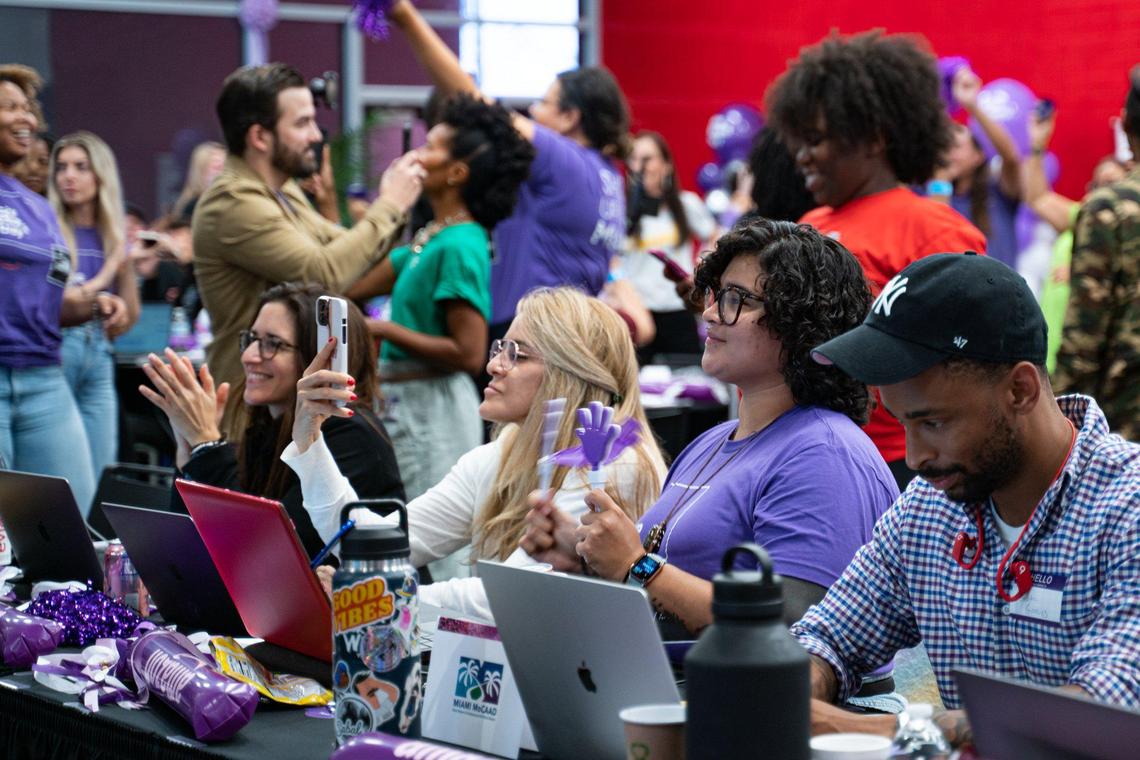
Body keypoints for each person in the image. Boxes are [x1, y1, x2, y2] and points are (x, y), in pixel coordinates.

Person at [797, 251, 1140, 746]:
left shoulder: (1126, 506)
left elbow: (1102, 714)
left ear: (1020, 390)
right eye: (901, 421)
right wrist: (796, 690)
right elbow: (828, 637)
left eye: (933, 422)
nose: (914, 457)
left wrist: (860, 729)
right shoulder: (929, 508)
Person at [522, 219, 898, 635]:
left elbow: (799, 630)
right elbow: (663, 593)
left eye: (738, 299)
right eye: (717, 295)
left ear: (801, 324)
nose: (711, 312)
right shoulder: (711, 443)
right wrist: (584, 554)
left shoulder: (825, 454)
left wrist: (636, 565)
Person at [284, 287, 666, 621]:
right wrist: (310, 439)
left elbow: (506, 598)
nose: (493, 365)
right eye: (502, 348)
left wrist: (368, 597)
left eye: (518, 355)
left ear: (572, 373)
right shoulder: (504, 453)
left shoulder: (615, 465)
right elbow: (371, 545)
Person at [766, 30, 987, 488]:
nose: (802, 157)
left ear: (873, 138)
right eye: (797, 141)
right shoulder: (811, 221)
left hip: (895, 464)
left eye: (816, 139)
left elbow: (966, 366)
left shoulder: (934, 229)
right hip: (798, 447)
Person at [192, 62, 424, 433]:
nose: (316, 135)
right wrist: (390, 205)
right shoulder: (233, 202)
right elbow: (324, 272)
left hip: (286, 402)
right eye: (301, 123)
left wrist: (389, 217)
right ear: (260, 137)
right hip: (249, 408)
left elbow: (348, 253)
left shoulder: (282, 191)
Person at [387, 0, 630, 341]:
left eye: (543, 103)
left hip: (531, 333)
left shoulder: (564, 159)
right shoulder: (609, 177)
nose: (532, 111)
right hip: (570, 331)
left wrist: (405, 16)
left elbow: (476, 103)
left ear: (570, 117)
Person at [344, 94, 534, 503]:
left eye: (431, 147)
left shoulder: (461, 243)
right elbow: (349, 284)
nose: (417, 155)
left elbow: (469, 353)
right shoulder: (431, 237)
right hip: (407, 403)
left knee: (431, 542)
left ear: (456, 172)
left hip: (435, 411)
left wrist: (381, 328)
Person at [139, 282, 405, 558]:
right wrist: (189, 455)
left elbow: (267, 553)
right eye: (252, 339)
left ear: (322, 359)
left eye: (271, 344)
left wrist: (206, 446)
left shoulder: (350, 432)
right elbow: (190, 552)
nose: (249, 356)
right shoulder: (268, 424)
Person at [0, 64, 125, 512]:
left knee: (72, 520)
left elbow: (47, 301)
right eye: (11, 107)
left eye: (29, 110)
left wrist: (89, 306)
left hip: (43, 378)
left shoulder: (38, 209)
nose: (28, 120)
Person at [49, 131, 141, 494]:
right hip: (57, 351)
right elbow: (58, 302)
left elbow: (127, 320)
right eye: (62, 168)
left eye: (80, 167)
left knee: (100, 471)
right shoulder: (51, 229)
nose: (68, 176)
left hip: (100, 354)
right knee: (62, 472)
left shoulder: (111, 235)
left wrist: (123, 268)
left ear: (100, 175)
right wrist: (106, 279)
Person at [1053, 65, 1140, 440]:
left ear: (1126, 125)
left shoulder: (1111, 208)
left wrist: (1056, 421)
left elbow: (1084, 340)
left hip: (1124, 430)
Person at [1024, 108, 1127, 373]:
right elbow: (1037, 198)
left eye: (1112, 185)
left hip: (1093, 363)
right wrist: (1037, 147)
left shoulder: (1127, 234)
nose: (1103, 195)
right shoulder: (1079, 219)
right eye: (1097, 186)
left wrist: (1090, 267)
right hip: (1049, 360)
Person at [622, 130, 716, 360]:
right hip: (637, 315)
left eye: (648, 159)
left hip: (676, 312)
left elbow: (714, 237)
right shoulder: (621, 211)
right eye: (634, 159)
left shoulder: (686, 205)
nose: (640, 166)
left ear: (666, 165)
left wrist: (699, 269)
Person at [928, 67, 1023, 269]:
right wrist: (940, 180)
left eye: (957, 147)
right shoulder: (930, 191)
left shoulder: (997, 194)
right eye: (944, 146)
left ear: (978, 156)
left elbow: (1011, 158)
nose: (948, 154)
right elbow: (935, 235)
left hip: (1000, 293)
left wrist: (972, 105)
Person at [165, 141, 225, 225]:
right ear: (201, 171)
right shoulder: (193, 207)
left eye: (227, 167)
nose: (224, 172)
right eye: (217, 167)